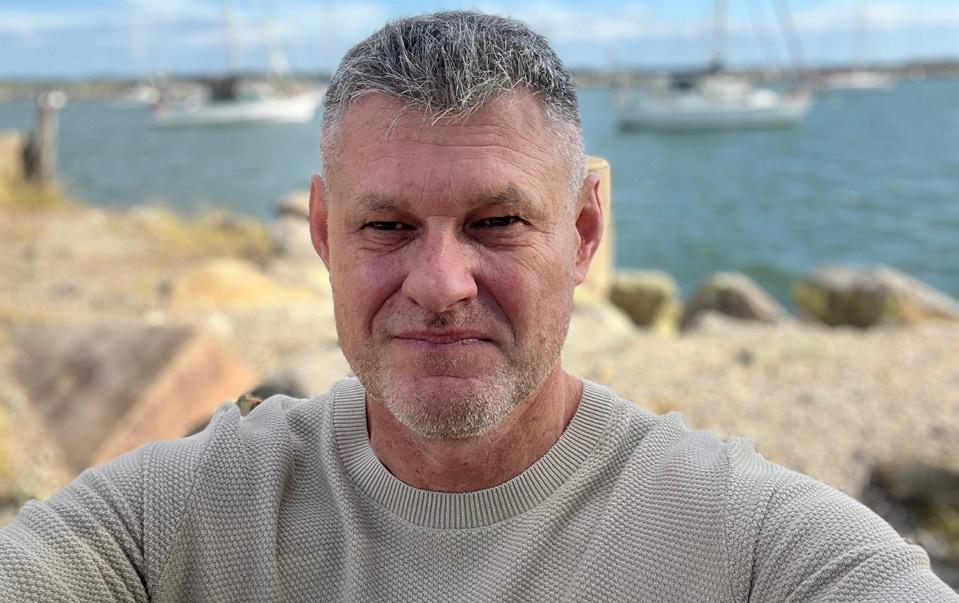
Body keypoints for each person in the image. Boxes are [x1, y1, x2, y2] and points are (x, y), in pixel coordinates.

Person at [0, 11, 955, 602]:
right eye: (386, 226)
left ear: (583, 233)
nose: (440, 282)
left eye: (496, 222)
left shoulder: (743, 542)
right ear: (324, 234)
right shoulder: (185, 515)